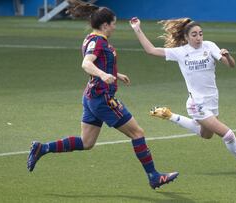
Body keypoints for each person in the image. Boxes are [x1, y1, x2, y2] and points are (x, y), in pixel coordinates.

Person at [27, 0, 178, 190]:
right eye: (113, 23)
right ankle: (154, 176)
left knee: (87, 142)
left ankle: (43, 148)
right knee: (137, 133)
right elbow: (86, 64)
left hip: (91, 97)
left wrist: (115, 74)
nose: (115, 27)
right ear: (105, 25)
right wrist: (103, 74)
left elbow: (98, 63)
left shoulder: (92, 38)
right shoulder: (98, 41)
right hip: (103, 99)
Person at [130, 17, 236, 173]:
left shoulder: (210, 46)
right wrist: (137, 28)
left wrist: (227, 56)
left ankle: (169, 115)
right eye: (194, 35)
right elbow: (151, 50)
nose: (198, 37)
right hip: (196, 104)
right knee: (227, 134)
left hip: (212, 101)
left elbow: (231, 65)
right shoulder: (181, 52)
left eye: (200, 34)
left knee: (206, 135)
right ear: (186, 37)